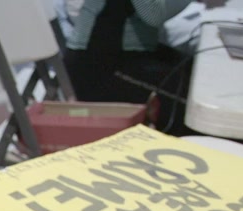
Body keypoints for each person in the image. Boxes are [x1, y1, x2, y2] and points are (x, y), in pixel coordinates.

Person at [62, 0, 193, 133]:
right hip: (98, 67)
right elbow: (154, 13)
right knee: (191, 107)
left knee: (196, 74)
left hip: (130, 54)